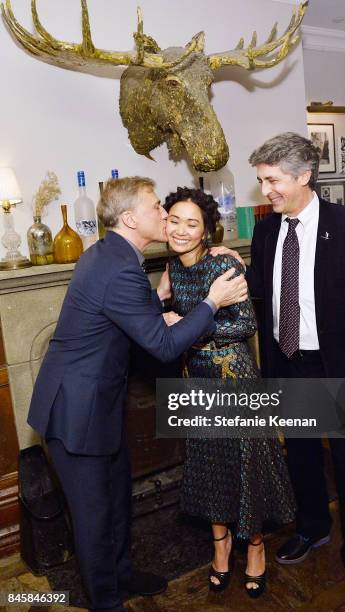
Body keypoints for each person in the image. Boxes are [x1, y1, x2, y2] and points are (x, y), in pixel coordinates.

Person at [27, 176, 249, 612]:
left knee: (116, 504)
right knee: (93, 520)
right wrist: (212, 300)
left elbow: (121, 313)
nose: (164, 215)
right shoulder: (118, 267)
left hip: (97, 406)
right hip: (75, 413)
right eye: (155, 208)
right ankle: (106, 602)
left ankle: (123, 575)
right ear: (130, 218)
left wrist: (158, 295)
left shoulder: (112, 256)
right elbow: (163, 346)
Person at [215, 132, 345, 611]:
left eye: (272, 180)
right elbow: (264, 288)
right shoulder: (269, 228)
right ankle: (312, 527)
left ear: (302, 176)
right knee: (301, 457)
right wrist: (227, 265)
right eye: (260, 181)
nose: (265, 190)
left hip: (340, 369)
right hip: (287, 364)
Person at [164, 186, 295, 599]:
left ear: (205, 232)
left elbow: (245, 325)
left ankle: (255, 546)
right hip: (196, 381)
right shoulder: (171, 268)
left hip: (232, 375)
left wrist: (187, 331)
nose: (181, 230)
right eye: (174, 220)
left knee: (244, 463)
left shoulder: (221, 265)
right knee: (208, 465)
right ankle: (220, 545)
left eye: (192, 223)